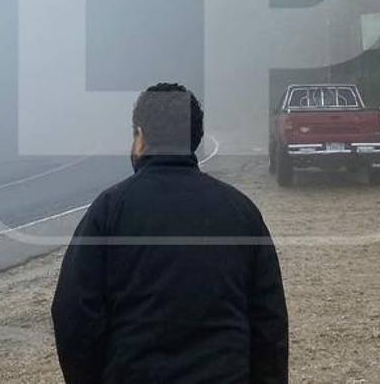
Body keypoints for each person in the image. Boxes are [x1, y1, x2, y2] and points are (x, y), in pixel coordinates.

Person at [51, 82, 289, 384]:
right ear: (195, 140)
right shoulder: (242, 213)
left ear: (140, 137)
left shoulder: (109, 211)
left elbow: (74, 315)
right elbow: (269, 323)